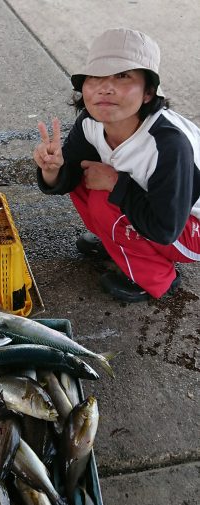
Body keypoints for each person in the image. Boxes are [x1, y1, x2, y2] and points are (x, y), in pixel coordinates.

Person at [34, 27, 200, 302]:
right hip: (159, 213)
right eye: (96, 76)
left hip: (188, 228)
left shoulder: (168, 145)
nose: (105, 87)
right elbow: (69, 177)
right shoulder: (90, 122)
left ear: (148, 92)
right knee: (82, 177)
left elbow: (165, 228)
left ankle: (157, 278)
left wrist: (115, 183)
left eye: (122, 76)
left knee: (104, 197)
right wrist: (52, 170)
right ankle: (119, 242)